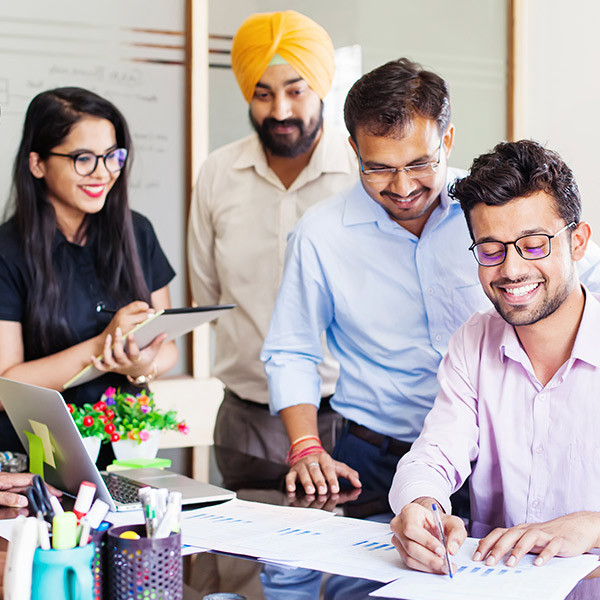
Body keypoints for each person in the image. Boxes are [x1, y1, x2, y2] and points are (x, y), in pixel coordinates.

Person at [261, 58, 600, 501]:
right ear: (354, 150)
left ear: (448, 139)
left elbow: (574, 274)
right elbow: (292, 350)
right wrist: (306, 446)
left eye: (420, 163)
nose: (402, 187)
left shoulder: (491, 209)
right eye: (379, 168)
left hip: (499, 452)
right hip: (374, 454)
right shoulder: (321, 235)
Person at [390, 140, 600, 578]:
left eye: (535, 244)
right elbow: (434, 455)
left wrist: (593, 528)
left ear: (578, 242)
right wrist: (420, 505)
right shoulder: (474, 340)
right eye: (491, 249)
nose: (511, 269)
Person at [187, 10, 356, 480]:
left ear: (321, 86)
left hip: (349, 419)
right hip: (245, 419)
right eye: (263, 94)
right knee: (233, 557)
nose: (280, 110)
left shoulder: (362, 175)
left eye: (295, 90)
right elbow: (208, 289)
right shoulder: (218, 173)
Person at [0, 87, 178, 462]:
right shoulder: (7, 251)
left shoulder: (138, 231)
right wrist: (102, 347)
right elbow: (5, 386)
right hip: (40, 461)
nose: (103, 173)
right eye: (83, 158)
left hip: (129, 453)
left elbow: (167, 345)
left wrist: (141, 367)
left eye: (112, 156)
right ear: (37, 163)